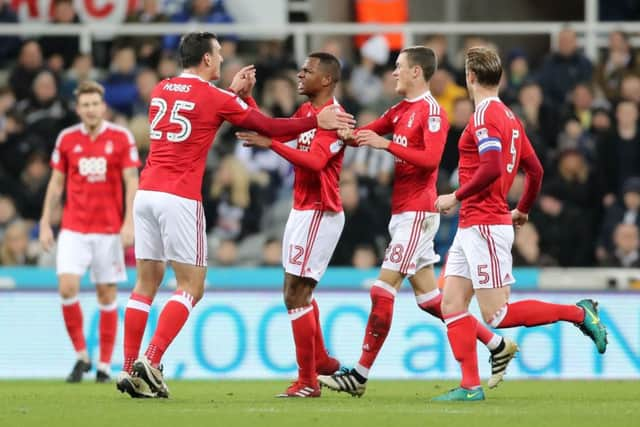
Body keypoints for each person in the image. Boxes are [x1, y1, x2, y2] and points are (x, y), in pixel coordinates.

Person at [116, 32, 353, 399]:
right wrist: (313, 123)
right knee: (191, 286)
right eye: (220, 55)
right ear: (208, 60)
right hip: (179, 196)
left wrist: (233, 94)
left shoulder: (161, 88)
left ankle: (129, 367)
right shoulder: (216, 96)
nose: (224, 60)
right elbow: (268, 127)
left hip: (146, 192)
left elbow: (207, 107)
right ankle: (151, 360)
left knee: (144, 285)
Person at [318, 47, 516, 398]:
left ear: (416, 72)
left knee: (382, 290)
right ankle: (496, 344)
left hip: (418, 214)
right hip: (402, 215)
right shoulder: (400, 110)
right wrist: (338, 126)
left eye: (398, 67)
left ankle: (360, 375)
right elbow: (365, 134)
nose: (393, 73)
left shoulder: (433, 112)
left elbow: (429, 161)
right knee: (431, 301)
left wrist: (387, 145)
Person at [432, 47, 607, 402]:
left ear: (470, 77)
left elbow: (493, 167)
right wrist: (523, 209)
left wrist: (456, 195)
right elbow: (536, 170)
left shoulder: (483, 118)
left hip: (483, 224)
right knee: (451, 305)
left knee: (496, 314)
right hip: (474, 225)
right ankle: (470, 387)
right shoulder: (511, 118)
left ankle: (578, 312)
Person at [237, 52, 347, 398]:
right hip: (302, 210)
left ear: (326, 79)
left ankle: (309, 381)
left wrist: (271, 144)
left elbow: (315, 162)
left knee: (294, 294)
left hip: (320, 210)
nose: (300, 74)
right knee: (300, 293)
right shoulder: (307, 114)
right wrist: (247, 100)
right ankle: (322, 362)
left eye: (308, 71)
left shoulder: (337, 118)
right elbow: (277, 131)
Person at [39, 80, 140, 384]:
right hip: (74, 227)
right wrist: (45, 221)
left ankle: (105, 365)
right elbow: (56, 183)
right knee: (67, 288)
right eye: (85, 105)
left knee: (106, 294)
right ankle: (83, 355)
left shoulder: (121, 137)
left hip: (109, 229)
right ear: (78, 108)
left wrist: (129, 222)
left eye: (95, 104)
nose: (91, 109)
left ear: (103, 106)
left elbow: (131, 180)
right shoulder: (67, 139)